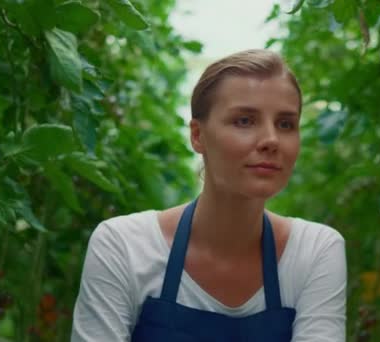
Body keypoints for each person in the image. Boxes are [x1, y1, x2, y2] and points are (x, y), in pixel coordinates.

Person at [71, 49, 347, 341]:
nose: (271, 140)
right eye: (244, 120)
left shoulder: (315, 250)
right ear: (197, 135)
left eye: (285, 124)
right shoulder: (123, 246)